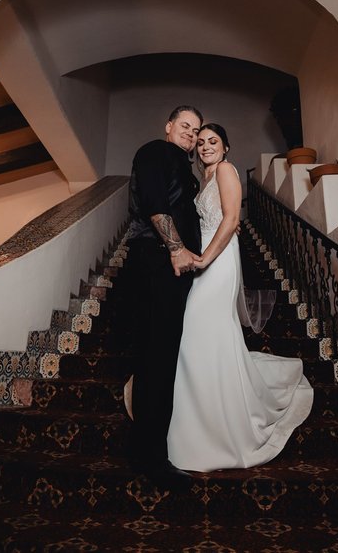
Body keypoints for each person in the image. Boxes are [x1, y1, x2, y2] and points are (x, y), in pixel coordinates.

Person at [167, 123, 314, 472]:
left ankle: (218, 425)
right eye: (200, 142)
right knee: (201, 335)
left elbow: (232, 220)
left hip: (218, 261)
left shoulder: (227, 171)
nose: (205, 147)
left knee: (199, 328)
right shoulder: (204, 179)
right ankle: (198, 417)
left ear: (226, 147)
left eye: (213, 141)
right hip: (204, 255)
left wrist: (205, 258)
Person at [123, 105, 203, 488]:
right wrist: (175, 248)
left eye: (196, 129)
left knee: (158, 356)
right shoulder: (156, 150)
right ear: (168, 126)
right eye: (184, 125)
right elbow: (155, 203)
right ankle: (153, 460)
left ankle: (145, 453)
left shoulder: (179, 162)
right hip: (159, 261)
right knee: (157, 358)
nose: (191, 132)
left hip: (167, 265)